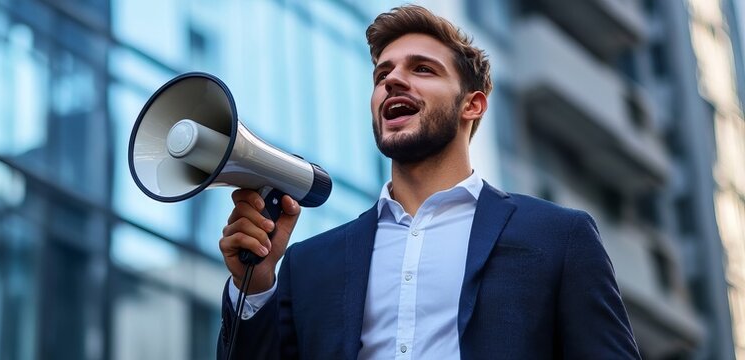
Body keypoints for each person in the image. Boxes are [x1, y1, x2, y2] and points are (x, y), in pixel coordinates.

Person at [215, 4, 641, 360]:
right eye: (382, 76)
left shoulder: (558, 237)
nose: (393, 81)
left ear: (471, 106)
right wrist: (255, 287)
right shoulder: (310, 265)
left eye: (422, 69)